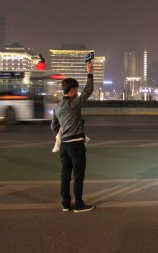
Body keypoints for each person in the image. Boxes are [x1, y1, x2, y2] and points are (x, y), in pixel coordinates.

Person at [51, 61, 95, 213]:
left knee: (65, 175)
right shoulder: (75, 103)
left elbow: (53, 126)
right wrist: (89, 72)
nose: (77, 91)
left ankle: (65, 203)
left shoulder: (57, 107)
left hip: (64, 145)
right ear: (71, 90)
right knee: (78, 176)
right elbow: (89, 90)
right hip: (76, 145)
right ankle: (78, 205)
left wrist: (63, 132)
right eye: (76, 89)